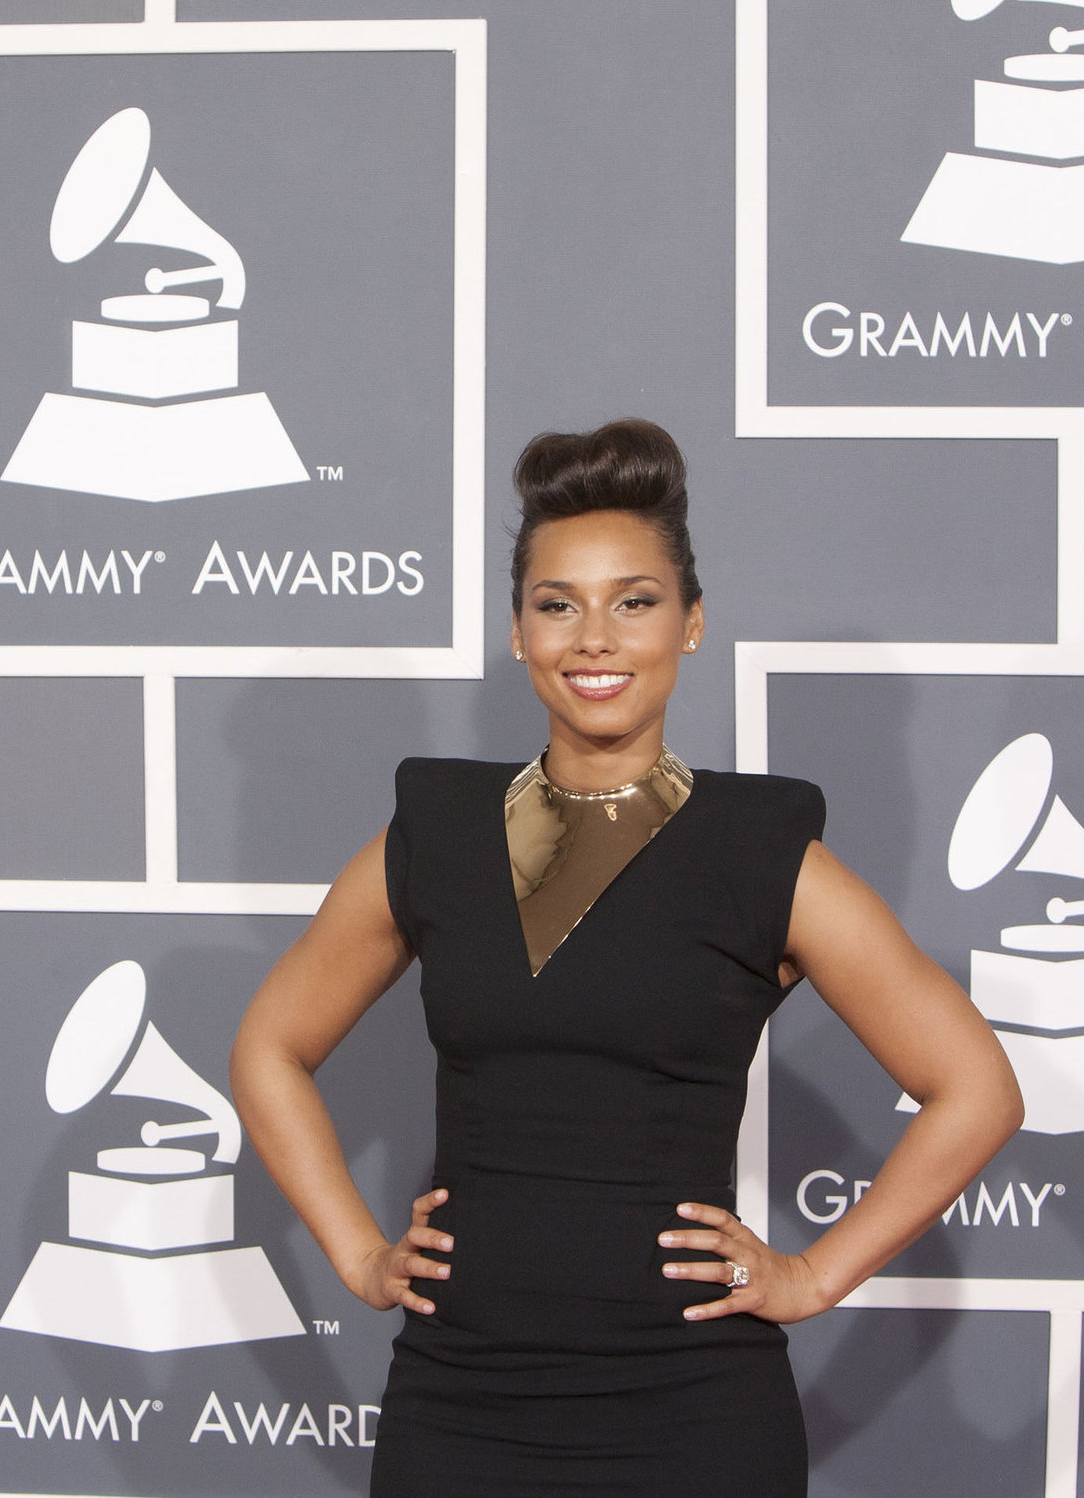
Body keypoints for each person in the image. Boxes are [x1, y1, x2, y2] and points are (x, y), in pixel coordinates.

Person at [229, 419, 1023, 1495]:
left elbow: (976, 1089)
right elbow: (269, 1048)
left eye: (634, 602)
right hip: (460, 1401)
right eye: (557, 604)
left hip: (692, 1410)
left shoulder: (759, 852)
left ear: (691, 623)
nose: (593, 639)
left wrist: (811, 1274)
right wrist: (360, 1255)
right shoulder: (437, 833)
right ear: (518, 631)